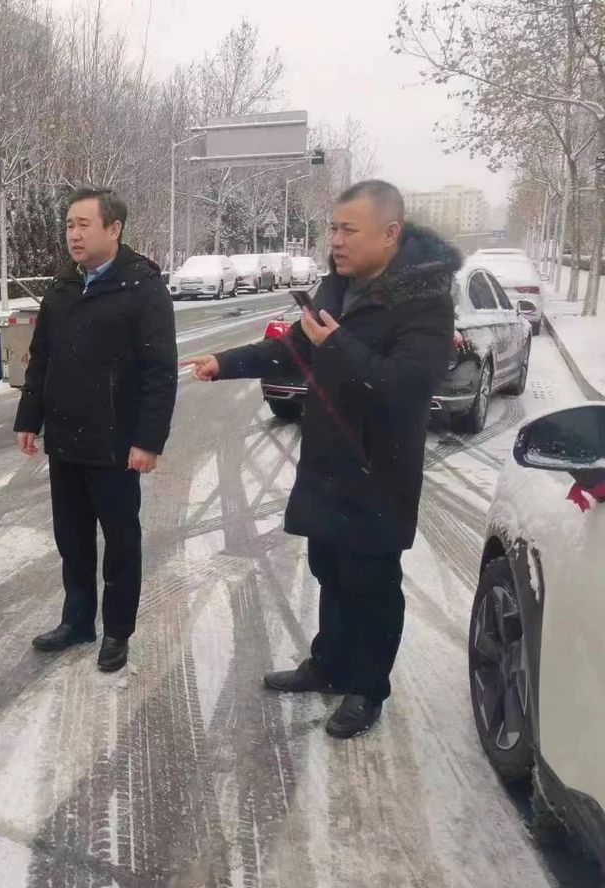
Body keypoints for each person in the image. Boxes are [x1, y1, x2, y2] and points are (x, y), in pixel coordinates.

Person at [185, 180, 460, 739]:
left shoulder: (426, 304)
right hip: (329, 461)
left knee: (372, 584)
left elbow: (406, 386)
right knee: (328, 569)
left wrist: (339, 345)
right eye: (332, 228)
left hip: (380, 470)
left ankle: (367, 689)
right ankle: (329, 665)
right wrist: (227, 361)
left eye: (347, 230)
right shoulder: (337, 287)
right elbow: (293, 348)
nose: (334, 240)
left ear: (389, 234)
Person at [15, 188, 177, 673]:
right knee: (73, 539)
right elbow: (41, 358)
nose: (74, 234)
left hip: (115, 444)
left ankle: (117, 632)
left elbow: (159, 371)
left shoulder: (142, 288)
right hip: (66, 440)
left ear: (114, 229)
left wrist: (148, 440)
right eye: (69, 224)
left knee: (121, 542)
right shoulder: (64, 286)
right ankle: (77, 620)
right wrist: (29, 418)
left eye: (84, 224)